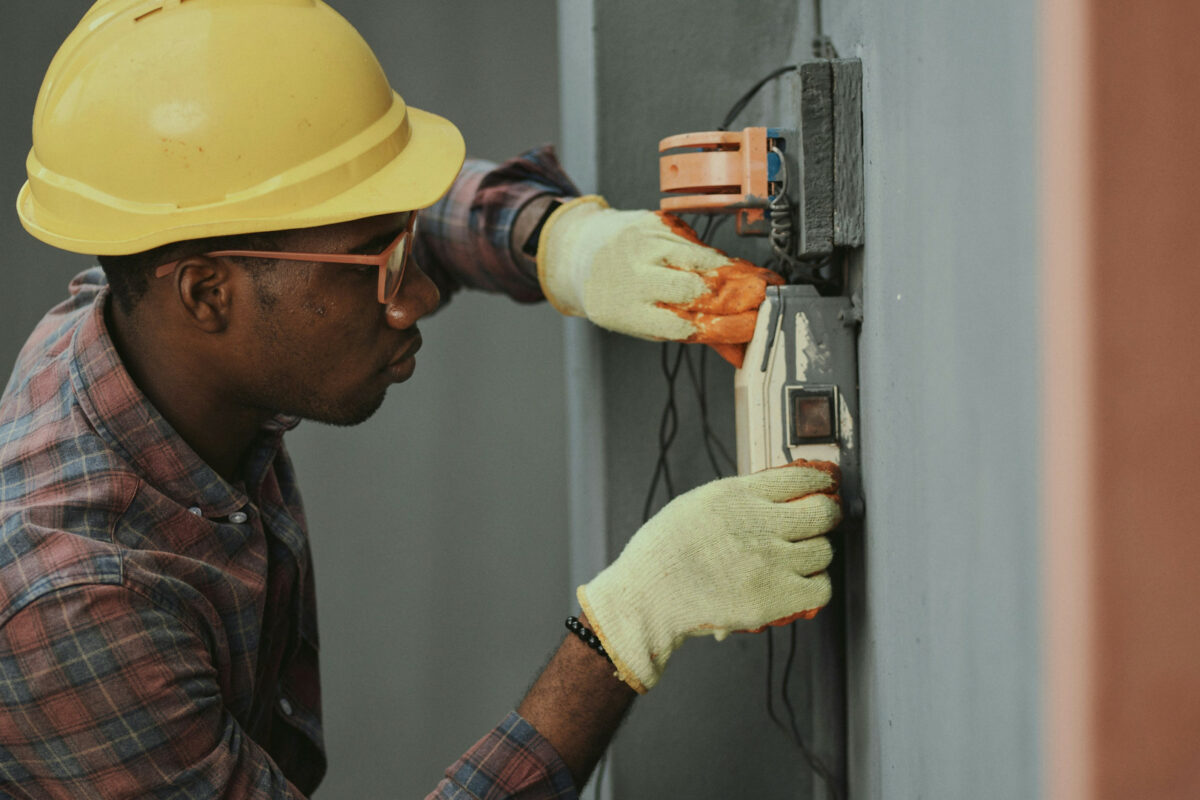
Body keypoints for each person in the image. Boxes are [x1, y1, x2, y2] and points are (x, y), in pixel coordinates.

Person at [0, 1, 842, 797]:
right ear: (206, 295)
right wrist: (623, 631)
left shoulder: (145, 297)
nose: (413, 299)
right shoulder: (75, 608)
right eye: (380, 267)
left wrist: (559, 242)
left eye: (400, 249)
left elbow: (343, 219)